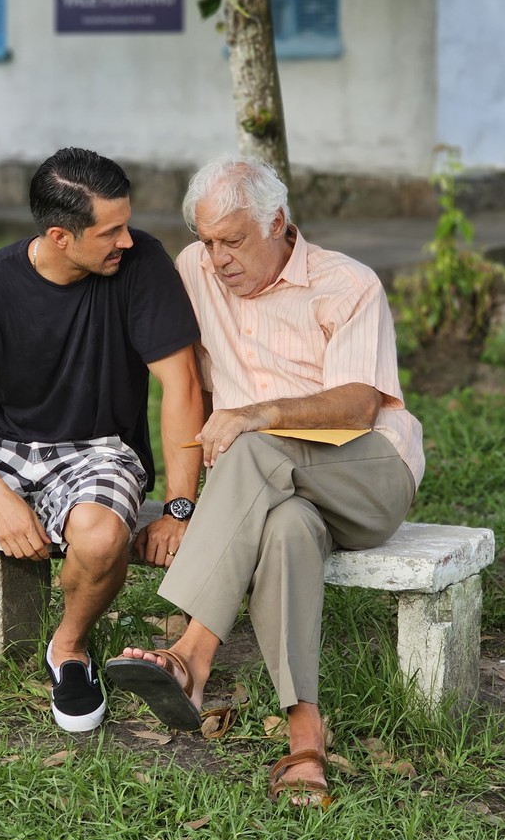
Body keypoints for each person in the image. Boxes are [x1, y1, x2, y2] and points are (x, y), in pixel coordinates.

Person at [106, 154, 424, 805]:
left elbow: (361, 404)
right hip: (272, 495)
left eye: (233, 240)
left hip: (366, 473)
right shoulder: (194, 271)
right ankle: (306, 734)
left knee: (251, 446)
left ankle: (193, 654)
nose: (217, 258)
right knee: (286, 528)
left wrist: (261, 414)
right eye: (206, 241)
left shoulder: (347, 284)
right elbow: (181, 381)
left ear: (278, 222)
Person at [0, 147, 203, 732]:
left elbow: (180, 387)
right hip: (5, 446)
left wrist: (178, 507)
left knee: (99, 539)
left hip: (101, 449)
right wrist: (0, 498)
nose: (126, 240)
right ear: (60, 235)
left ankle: (68, 650)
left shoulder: (143, 263)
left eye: (126, 224)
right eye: (112, 230)